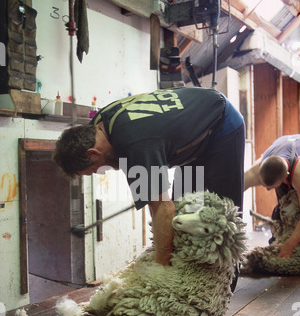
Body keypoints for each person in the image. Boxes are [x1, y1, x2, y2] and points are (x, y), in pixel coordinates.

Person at [53, 87, 245, 266]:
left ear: (93, 153)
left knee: (226, 221)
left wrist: (158, 275)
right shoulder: (98, 126)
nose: (102, 170)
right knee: (186, 214)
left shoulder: (134, 144)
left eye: (96, 169)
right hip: (191, 140)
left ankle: (226, 286)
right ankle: (189, 278)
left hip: (222, 125)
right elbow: (167, 209)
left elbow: (162, 208)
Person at [244, 134, 300, 258]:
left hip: (295, 164)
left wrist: (289, 246)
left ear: (286, 176)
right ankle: (278, 239)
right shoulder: (257, 169)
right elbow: (233, 189)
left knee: (293, 211)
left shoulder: (297, 173)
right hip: (283, 151)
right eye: (265, 186)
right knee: (280, 211)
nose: (268, 190)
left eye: (270, 187)